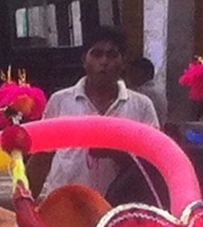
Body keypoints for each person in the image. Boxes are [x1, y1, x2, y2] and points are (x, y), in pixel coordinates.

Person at [29, 25, 160, 201]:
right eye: (97, 54)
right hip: (66, 207)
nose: (104, 62)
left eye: (112, 55)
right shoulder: (60, 101)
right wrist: (24, 208)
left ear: (123, 62)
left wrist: (117, 152)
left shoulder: (141, 106)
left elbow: (152, 166)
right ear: (84, 60)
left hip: (119, 212)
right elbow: (41, 159)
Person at [125, 57, 168, 126]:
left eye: (134, 72)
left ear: (144, 73)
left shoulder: (145, 93)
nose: (130, 75)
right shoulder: (156, 90)